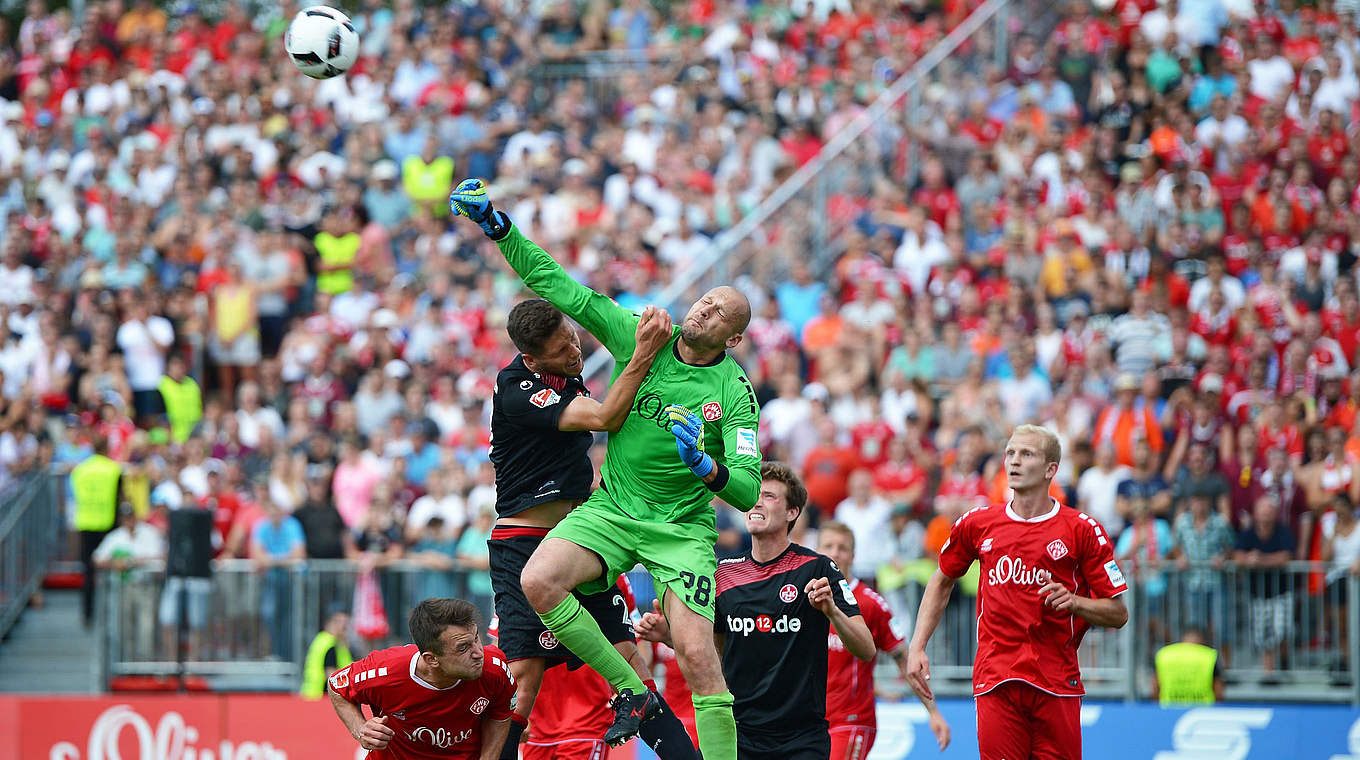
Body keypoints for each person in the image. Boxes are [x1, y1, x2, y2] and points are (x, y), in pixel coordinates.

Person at [452, 178, 762, 756]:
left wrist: (706, 468)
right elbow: (559, 288)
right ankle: (630, 691)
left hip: (681, 530)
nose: (704, 308)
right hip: (614, 509)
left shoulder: (735, 394)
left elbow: (747, 491)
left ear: (734, 336)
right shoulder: (642, 334)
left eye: (719, 310)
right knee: (539, 581)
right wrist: (499, 227)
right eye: (704, 298)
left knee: (697, 657)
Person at [482, 296, 693, 759]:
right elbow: (603, 418)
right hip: (526, 542)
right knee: (526, 678)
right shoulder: (517, 389)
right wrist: (642, 354)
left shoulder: (564, 370)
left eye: (572, 338)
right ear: (531, 359)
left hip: (582, 536)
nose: (574, 352)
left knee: (633, 666)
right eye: (560, 351)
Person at [907, 424, 1129, 760]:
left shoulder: (1082, 529)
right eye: (1010, 453)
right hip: (997, 679)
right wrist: (918, 645)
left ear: (1050, 469)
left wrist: (1074, 602)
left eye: (1026, 454)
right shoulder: (977, 523)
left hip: (1056, 681)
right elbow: (941, 579)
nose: (1014, 461)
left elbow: (1118, 613)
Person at [636, 462, 875, 760]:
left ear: (792, 513)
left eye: (770, 496)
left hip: (802, 740)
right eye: (753, 494)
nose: (757, 501)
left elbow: (866, 649)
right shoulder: (722, 574)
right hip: (740, 736)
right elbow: (716, 653)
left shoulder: (816, 568)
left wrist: (831, 611)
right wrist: (671, 637)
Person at [817, 521, 950, 758]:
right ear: (817, 552)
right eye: (828, 546)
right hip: (811, 722)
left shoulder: (870, 604)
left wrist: (933, 712)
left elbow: (904, 659)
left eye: (842, 547)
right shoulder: (807, 599)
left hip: (852, 721)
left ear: (853, 556)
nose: (835, 553)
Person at [328, 598, 514, 759]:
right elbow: (337, 685)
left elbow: (501, 712)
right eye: (463, 647)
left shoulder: (494, 668)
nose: (478, 653)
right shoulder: (385, 671)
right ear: (431, 659)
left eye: (476, 638)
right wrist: (360, 730)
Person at [71, 436, 123, 626]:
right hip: (107, 525)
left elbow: (76, 494)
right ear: (107, 448)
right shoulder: (113, 469)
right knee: (110, 571)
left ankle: (87, 614)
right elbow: (119, 497)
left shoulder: (81, 470)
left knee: (88, 572)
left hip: (86, 523)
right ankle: (110, 613)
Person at [1151, 628, 1224, 705]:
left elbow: (1155, 687)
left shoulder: (1164, 655)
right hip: (1202, 711)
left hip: (1168, 709)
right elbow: (1218, 691)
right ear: (1202, 642)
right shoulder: (1209, 656)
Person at [302, 605, 353, 700]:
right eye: (342, 623)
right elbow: (331, 675)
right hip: (322, 697)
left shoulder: (321, 640)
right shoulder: (331, 645)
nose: (345, 628)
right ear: (332, 623)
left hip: (312, 694)